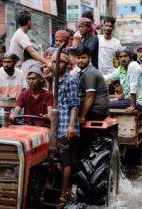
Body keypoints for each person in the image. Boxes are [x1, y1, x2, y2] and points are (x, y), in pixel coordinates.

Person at [53, 51, 80, 203]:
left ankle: (64, 193)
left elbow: (74, 105)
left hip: (66, 126)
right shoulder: (54, 81)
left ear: (67, 64)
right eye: (54, 62)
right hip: (55, 126)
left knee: (66, 161)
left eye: (61, 62)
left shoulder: (70, 80)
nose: (57, 65)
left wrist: (71, 126)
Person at [0, 53, 26, 126]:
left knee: (26, 118)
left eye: (9, 62)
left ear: (14, 63)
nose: (6, 64)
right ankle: (6, 135)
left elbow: (24, 92)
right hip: (0, 106)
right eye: (4, 62)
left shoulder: (20, 73)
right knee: (5, 117)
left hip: (17, 106)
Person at [74, 44, 109, 123]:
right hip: (93, 109)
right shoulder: (83, 72)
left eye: (83, 58)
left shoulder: (90, 73)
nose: (80, 60)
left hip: (96, 111)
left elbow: (90, 97)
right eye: (78, 58)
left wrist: (82, 116)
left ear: (89, 58)